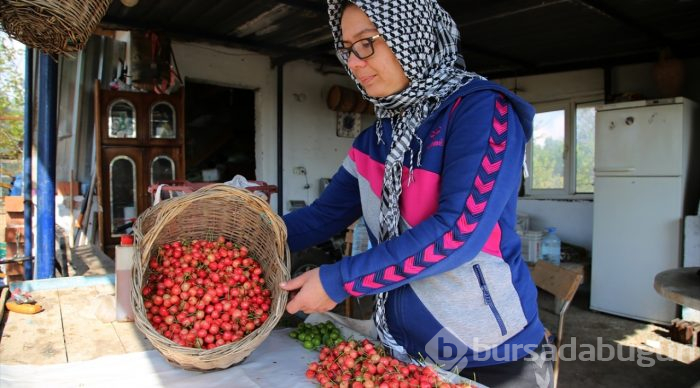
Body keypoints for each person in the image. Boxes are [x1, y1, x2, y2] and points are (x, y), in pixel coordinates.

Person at [281, 1, 552, 386]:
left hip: (493, 354)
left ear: (413, 36)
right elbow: (321, 217)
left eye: (366, 43)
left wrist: (340, 280)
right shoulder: (374, 140)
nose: (353, 63)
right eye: (346, 49)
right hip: (408, 351)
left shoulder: (481, 111)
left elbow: (457, 233)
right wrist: (250, 238)